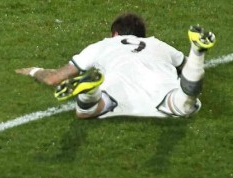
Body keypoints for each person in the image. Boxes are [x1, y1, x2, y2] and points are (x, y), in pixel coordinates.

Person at [16, 13, 216, 119]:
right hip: (162, 93)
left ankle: (91, 92)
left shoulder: (103, 45)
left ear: (115, 34)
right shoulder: (158, 44)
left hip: (116, 93)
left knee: (86, 111)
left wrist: (34, 70)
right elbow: (183, 66)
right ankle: (197, 52)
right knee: (184, 103)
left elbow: (54, 78)